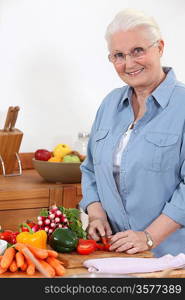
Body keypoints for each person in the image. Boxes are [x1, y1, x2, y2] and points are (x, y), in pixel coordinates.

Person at [79, 8, 185, 257]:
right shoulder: (109, 104)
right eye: (118, 55)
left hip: (171, 258)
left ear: (159, 47)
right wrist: (95, 214)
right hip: (114, 253)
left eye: (138, 51)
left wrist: (149, 237)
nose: (128, 63)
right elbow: (90, 169)